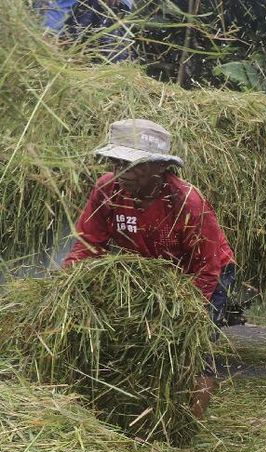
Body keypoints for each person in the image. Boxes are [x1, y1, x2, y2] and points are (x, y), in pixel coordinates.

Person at [64, 118, 236, 419]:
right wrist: (68, 284)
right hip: (153, 273)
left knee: (194, 347)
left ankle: (191, 425)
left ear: (159, 168)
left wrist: (181, 313)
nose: (120, 172)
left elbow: (205, 267)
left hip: (204, 274)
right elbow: (88, 243)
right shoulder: (107, 190)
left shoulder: (186, 202)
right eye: (115, 162)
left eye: (131, 165)